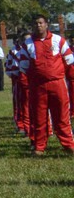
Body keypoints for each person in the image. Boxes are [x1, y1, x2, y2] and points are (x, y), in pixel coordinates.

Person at [17, 15, 74, 155]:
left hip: (57, 84)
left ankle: (69, 145)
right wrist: (29, 85)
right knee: (39, 117)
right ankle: (39, 147)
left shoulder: (58, 40)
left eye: (41, 23)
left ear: (46, 24)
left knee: (62, 116)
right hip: (37, 87)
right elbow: (23, 67)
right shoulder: (28, 44)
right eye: (35, 23)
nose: (38, 26)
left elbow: (69, 62)